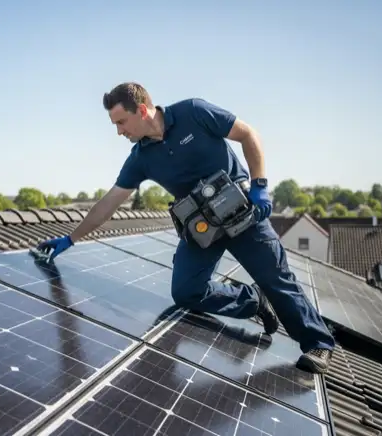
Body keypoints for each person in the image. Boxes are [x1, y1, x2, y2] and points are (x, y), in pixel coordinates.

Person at [36, 82, 335, 374]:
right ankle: (252, 301)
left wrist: (260, 186)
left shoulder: (194, 112)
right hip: (202, 227)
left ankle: (318, 343)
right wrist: (70, 238)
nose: (119, 131)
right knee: (186, 291)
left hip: (243, 213)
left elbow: (248, 134)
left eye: (121, 122)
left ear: (142, 110)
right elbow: (109, 203)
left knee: (275, 276)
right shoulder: (141, 158)